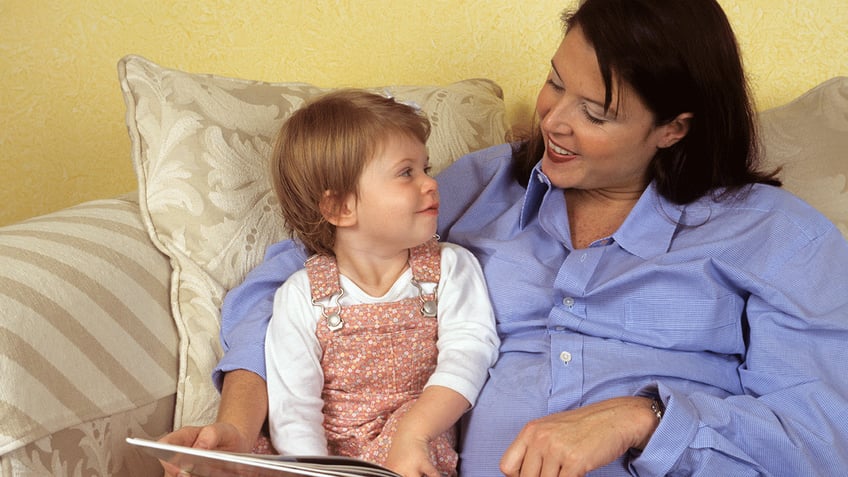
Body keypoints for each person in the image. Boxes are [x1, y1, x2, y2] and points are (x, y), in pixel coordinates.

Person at [161, 0, 848, 475]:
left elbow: (826, 436)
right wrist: (241, 421)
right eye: (554, 81)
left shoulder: (776, 237)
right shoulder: (480, 189)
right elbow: (298, 271)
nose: (554, 119)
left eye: (597, 111)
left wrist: (643, 417)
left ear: (673, 128)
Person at [264, 89, 498, 477]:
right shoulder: (302, 295)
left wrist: (415, 433)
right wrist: (320, 473)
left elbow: (469, 355)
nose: (430, 183)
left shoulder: (450, 269)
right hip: (327, 458)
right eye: (406, 172)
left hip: (414, 442)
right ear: (341, 207)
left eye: (426, 167)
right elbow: (294, 408)